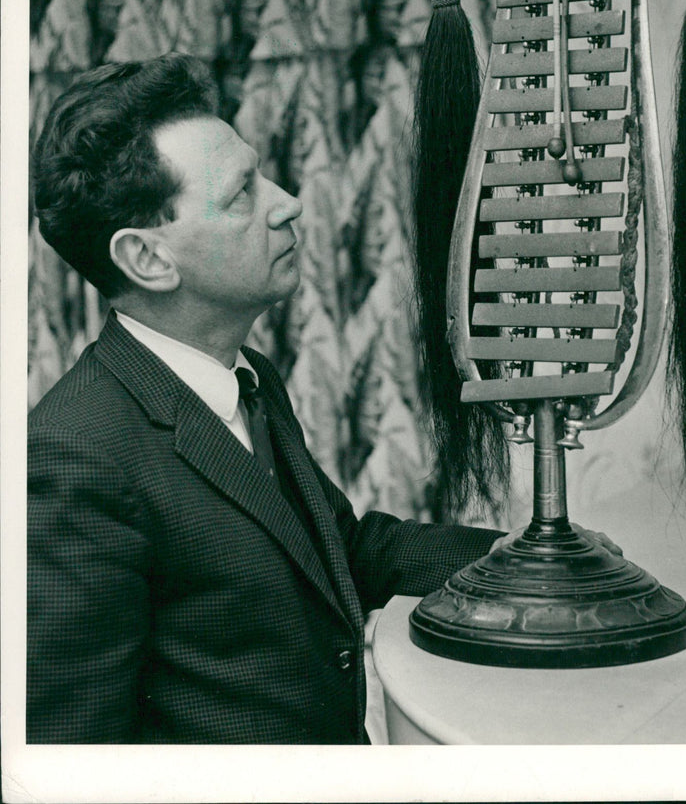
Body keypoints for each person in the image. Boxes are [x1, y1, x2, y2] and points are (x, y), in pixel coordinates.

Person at [27, 53, 503, 745]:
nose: (289, 202)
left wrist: (519, 557)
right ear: (148, 259)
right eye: (244, 192)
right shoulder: (74, 456)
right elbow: (72, 757)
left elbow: (337, 548)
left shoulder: (246, 376)